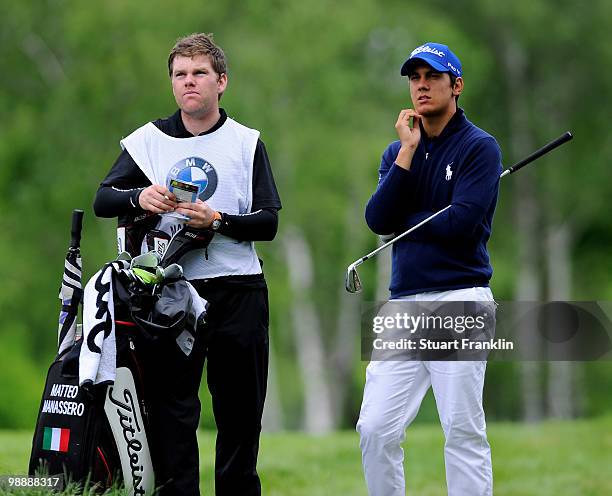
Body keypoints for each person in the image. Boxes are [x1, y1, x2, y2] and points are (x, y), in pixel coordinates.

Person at [93, 33, 281, 496]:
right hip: (171, 296)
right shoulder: (148, 141)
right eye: (180, 75)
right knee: (172, 414)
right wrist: (141, 195)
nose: (188, 82)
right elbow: (103, 199)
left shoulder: (246, 143)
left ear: (222, 82)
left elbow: (268, 222)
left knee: (239, 415)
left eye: (199, 73)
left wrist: (217, 220)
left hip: (238, 291)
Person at [357, 42, 501, 496]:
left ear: (455, 85)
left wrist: (409, 219)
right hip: (404, 304)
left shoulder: (480, 148)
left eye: (432, 76)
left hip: (460, 298)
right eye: (414, 77)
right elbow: (379, 221)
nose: (421, 85)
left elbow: (461, 224)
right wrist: (406, 153)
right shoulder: (398, 150)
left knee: (461, 428)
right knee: (375, 428)